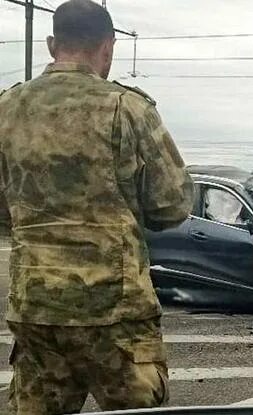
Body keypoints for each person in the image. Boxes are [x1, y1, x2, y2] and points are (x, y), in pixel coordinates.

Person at [0, 0, 194, 413]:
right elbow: (173, 205)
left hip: (37, 310)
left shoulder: (6, 110)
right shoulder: (128, 108)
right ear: (108, 48)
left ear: (52, 44)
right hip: (115, 313)